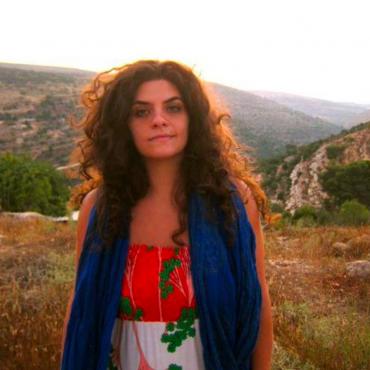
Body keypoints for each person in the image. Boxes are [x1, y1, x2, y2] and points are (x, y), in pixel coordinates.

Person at [61, 60, 276, 370]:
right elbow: (80, 307)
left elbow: (258, 304)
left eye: (173, 108)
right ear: (124, 124)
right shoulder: (100, 207)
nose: (159, 120)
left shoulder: (232, 202)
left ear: (193, 118)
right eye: (141, 112)